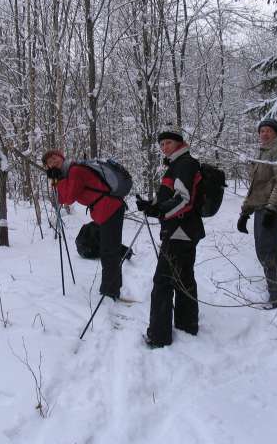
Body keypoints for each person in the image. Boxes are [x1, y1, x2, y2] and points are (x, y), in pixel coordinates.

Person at [136, 130, 205, 348]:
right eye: (162, 143)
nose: (164, 147)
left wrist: (159, 211)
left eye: (168, 143)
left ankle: (159, 336)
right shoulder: (178, 164)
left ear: (180, 143)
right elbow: (170, 196)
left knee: (162, 282)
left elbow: (183, 199)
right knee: (184, 277)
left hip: (180, 230)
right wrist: (152, 205)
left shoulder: (184, 164)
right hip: (185, 229)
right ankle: (187, 325)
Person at [42, 149, 125, 300]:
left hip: (110, 208)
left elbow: (69, 198)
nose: (53, 163)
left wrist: (59, 181)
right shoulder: (66, 174)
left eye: (55, 159)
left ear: (62, 157)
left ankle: (110, 291)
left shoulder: (75, 170)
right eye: (49, 162)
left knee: (109, 252)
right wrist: (56, 181)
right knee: (109, 249)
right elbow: (60, 199)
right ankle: (111, 288)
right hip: (103, 210)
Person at [237, 118, 277, 309]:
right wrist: (245, 212)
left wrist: (272, 208)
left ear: (276, 133)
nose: (264, 134)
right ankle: (276, 289)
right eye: (262, 131)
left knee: (269, 251)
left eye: (269, 130)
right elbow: (257, 187)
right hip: (261, 208)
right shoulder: (261, 153)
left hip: (272, 209)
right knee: (263, 251)